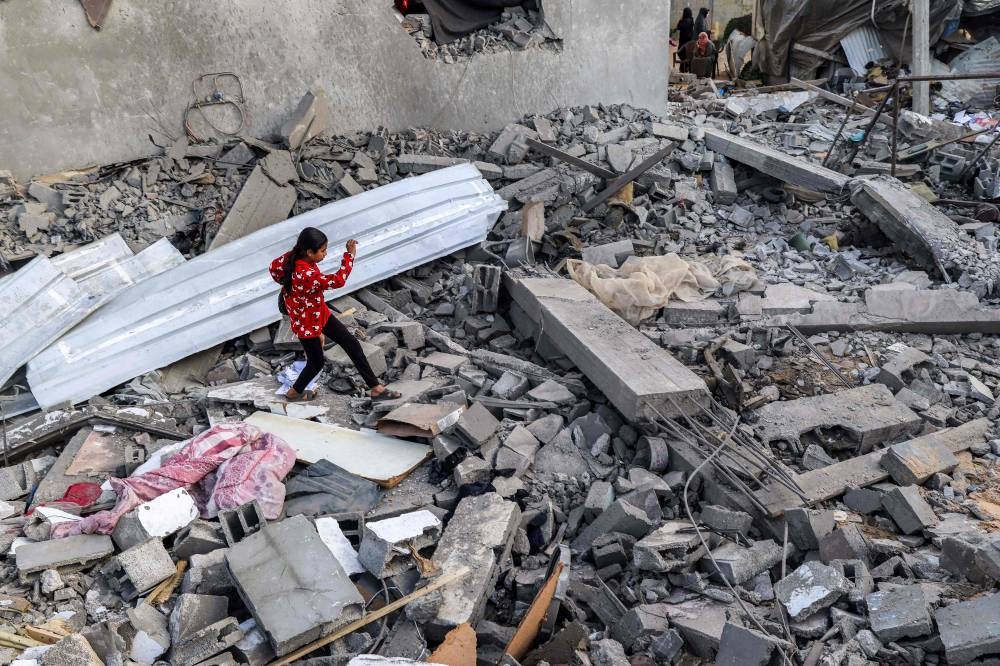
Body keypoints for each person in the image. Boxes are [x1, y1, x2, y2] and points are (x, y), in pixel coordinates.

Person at [269, 227, 400, 402]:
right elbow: (338, 280)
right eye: (322, 251)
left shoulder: (291, 256)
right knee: (316, 363)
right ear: (309, 252)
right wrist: (350, 255)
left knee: (351, 343)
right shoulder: (305, 274)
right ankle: (293, 393)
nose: (325, 254)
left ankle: (375, 388)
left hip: (318, 312)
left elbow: (273, 268)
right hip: (307, 322)